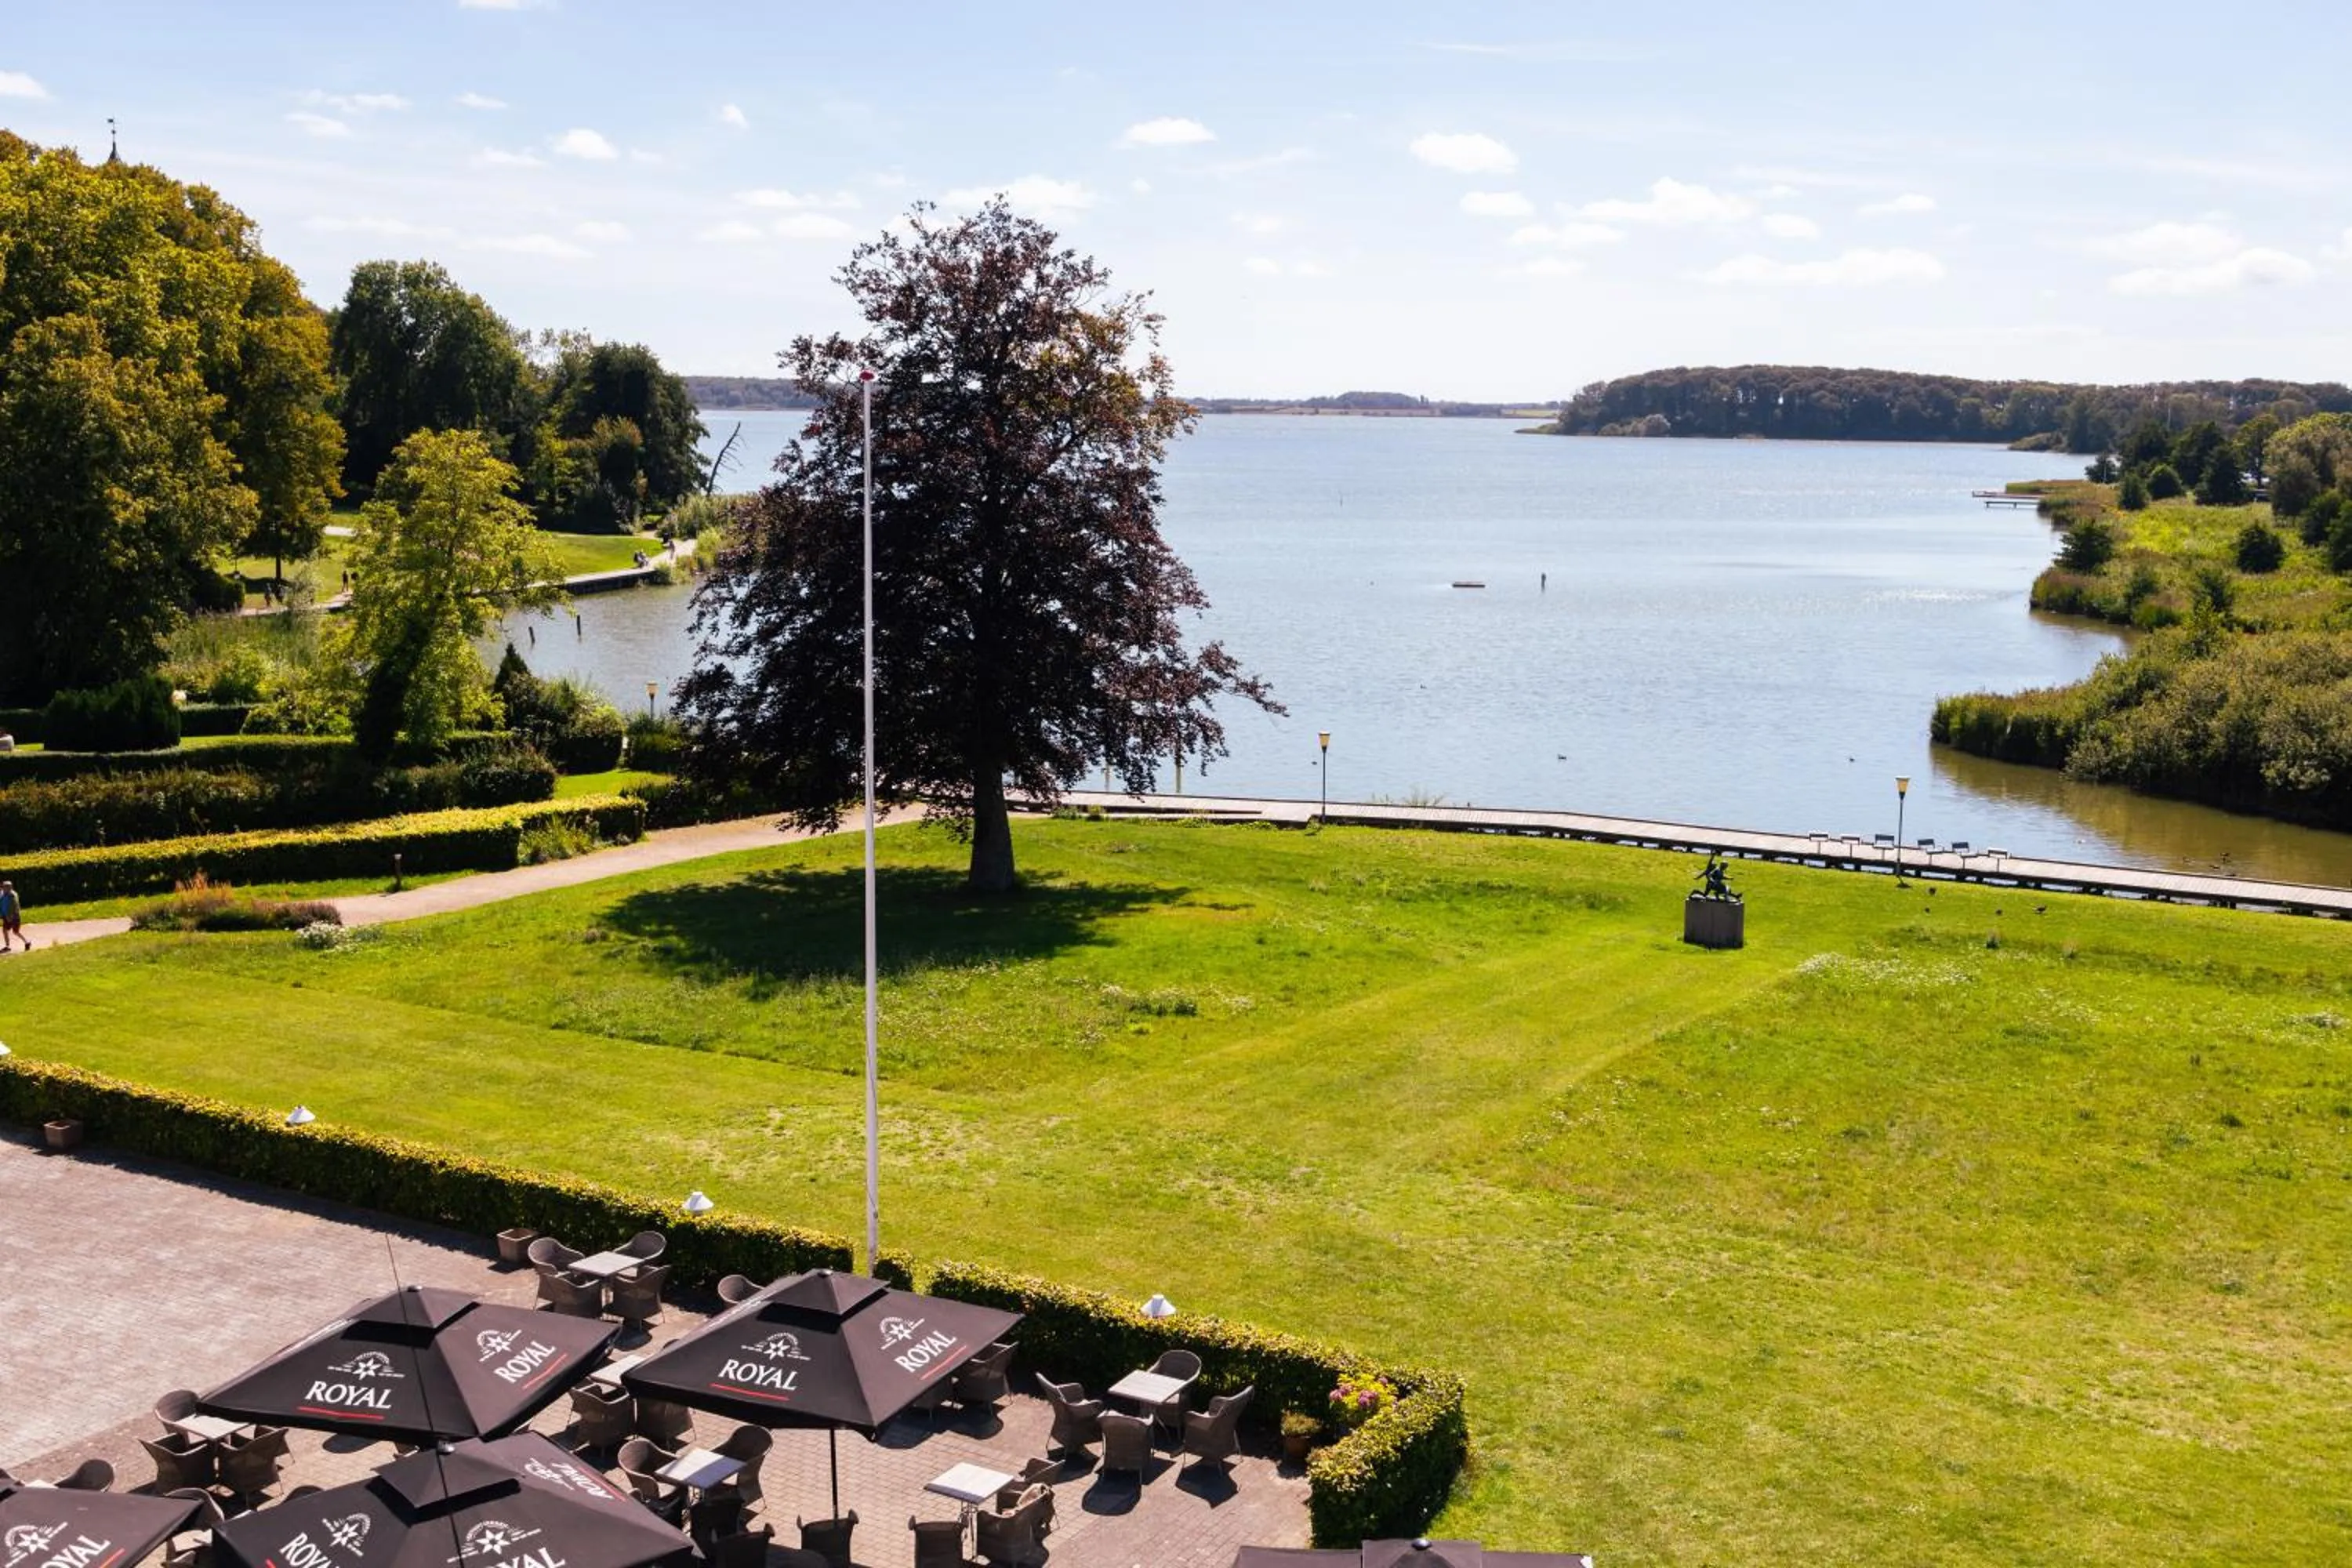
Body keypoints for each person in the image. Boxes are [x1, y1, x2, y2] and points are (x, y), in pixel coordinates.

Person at [0, 880, 24, 951]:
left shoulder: (12, 896)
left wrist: (9, 916)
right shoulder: (4, 894)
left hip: (12, 917)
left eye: (4, 887)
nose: (2, 888)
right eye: (2, 887)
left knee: (15, 932)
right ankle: (7, 946)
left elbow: (14, 907)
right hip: (6, 916)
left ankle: (27, 942)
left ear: (9, 888)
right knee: (5, 930)